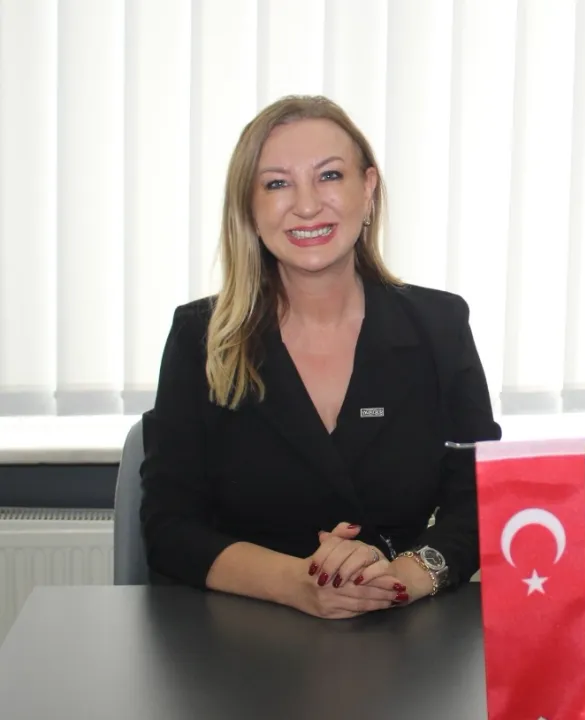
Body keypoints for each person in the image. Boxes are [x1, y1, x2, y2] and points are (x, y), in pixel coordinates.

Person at [140, 95, 500, 619]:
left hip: (402, 632)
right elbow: (169, 527)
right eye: (277, 184)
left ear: (368, 189)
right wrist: (300, 583)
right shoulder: (201, 336)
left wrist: (400, 579)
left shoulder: (439, 325)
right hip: (241, 634)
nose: (306, 206)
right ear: (249, 207)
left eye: (329, 176)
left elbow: (481, 497)